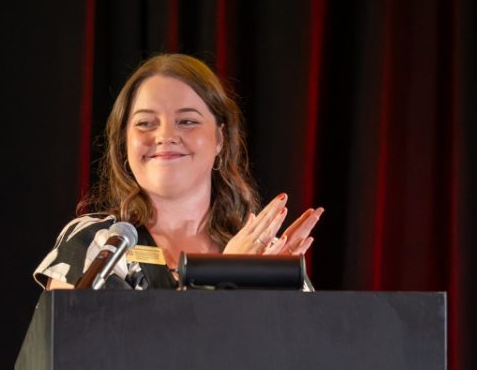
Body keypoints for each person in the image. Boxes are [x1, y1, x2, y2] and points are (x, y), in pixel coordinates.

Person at [34, 53, 323, 290]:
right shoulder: (97, 242)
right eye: (145, 123)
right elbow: (81, 353)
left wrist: (285, 296)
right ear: (124, 142)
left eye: (187, 121)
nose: (165, 135)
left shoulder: (263, 255)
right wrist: (229, 275)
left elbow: (302, 354)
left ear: (220, 139)